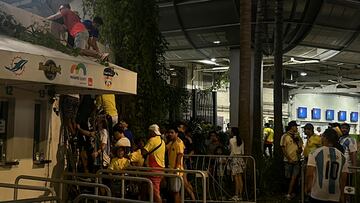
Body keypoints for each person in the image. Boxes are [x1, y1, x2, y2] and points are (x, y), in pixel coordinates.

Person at [306, 128, 348, 203]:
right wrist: (342, 194)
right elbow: (343, 178)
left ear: (324, 138)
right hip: (335, 195)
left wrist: (308, 188)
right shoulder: (342, 156)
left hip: (317, 193)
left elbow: (310, 174)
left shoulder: (314, 153)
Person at [166, 126, 195, 202]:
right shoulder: (171, 142)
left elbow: (179, 156)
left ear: (176, 133)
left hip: (177, 171)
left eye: (172, 133)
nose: (170, 134)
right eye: (169, 133)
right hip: (172, 170)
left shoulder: (179, 143)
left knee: (176, 191)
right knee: (177, 191)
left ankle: (193, 200)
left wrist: (177, 169)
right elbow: (165, 148)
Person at [141, 124, 165, 203]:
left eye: (149, 132)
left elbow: (144, 152)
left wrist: (141, 146)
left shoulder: (152, 140)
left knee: (155, 192)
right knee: (152, 190)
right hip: (161, 168)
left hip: (154, 168)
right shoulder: (162, 141)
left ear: (152, 132)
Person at [280, 121, 303, 200]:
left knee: (294, 177)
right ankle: (289, 193)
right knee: (288, 178)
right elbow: (283, 148)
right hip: (288, 161)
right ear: (291, 127)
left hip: (297, 160)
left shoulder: (298, 136)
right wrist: (289, 159)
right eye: (295, 126)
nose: (297, 128)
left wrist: (299, 141)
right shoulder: (285, 136)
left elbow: (300, 148)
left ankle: (290, 193)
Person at [229, 127, 245, 201]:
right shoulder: (241, 140)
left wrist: (228, 158)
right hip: (240, 159)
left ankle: (236, 195)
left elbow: (232, 152)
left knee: (236, 179)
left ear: (232, 132)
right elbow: (242, 152)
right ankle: (240, 195)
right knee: (240, 178)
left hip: (234, 159)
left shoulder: (231, 140)